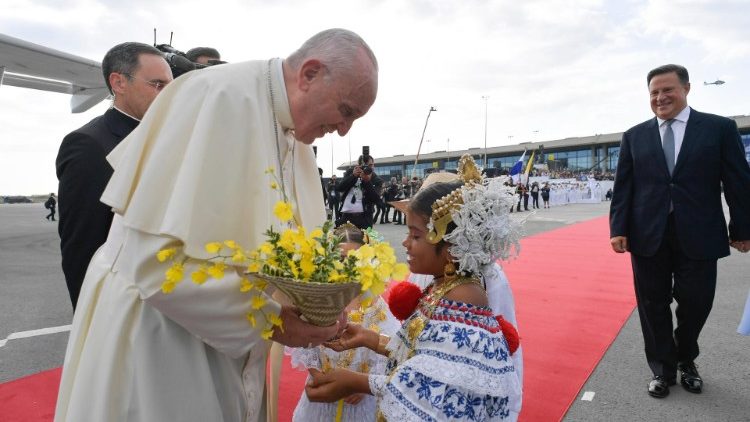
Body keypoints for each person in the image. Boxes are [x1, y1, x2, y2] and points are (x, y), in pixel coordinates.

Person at [54, 28, 379, 422]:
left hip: (226, 341)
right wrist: (273, 321)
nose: (344, 130)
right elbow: (155, 261)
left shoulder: (292, 132)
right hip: (161, 340)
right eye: (346, 111)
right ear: (309, 73)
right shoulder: (215, 98)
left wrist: (315, 308)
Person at [305, 155, 523, 421]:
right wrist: (368, 338)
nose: (406, 243)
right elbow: (424, 354)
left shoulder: (464, 297)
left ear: (452, 246)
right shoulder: (445, 286)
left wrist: (357, 382)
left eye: (416, 235)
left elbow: (432, 391)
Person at [610, 64, 750, 399]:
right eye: (654, 92)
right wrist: (618, 228)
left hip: (700, 232)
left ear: (686, 89)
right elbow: (624, 188)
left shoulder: (718, 129)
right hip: (647, 234)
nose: (661, 97)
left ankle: (686, 357)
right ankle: (663, 369)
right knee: (652, 304)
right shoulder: (635, 135)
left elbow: (738, 181)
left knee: (697, 302)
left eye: (667, 89)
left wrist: (743, 228)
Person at [55, 42, 172, 309]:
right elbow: (82, 248)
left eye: (170, 86)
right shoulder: (89, 145)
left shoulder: (163, 137)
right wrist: (91, 318)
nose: (167, 95)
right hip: (119, 306)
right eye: (157, 85)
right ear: (119, 83)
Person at [288, 224, 399, 421]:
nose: (346, 267)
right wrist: (319, 376)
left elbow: (389, 348)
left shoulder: (375, 305)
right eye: (339, 260)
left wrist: (364, 385)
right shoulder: (319, 300)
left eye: (354, 260)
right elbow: (304, 344)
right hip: (322, 395)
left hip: (359, 401)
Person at [336, 154, 383, 229]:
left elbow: (376, 199)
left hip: (364, 218)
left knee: (364, 240)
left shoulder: (377, 180)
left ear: (373, 166)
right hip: (346, 216)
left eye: (370, 165)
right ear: (359, 165)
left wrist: (367, 182)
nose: (367, 168)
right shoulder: (351, 172)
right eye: (364, 165)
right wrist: (353, 176)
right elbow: (340, 188)